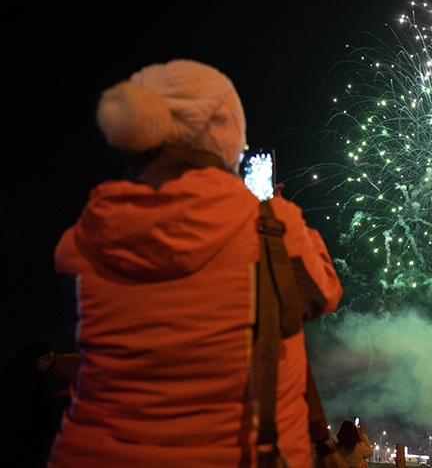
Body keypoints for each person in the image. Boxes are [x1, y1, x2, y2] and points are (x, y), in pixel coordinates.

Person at [46, 59, 343, 468]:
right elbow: (325, 293)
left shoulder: (76, 245)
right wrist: (278, 211)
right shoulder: (274, 228)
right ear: (225, 136)